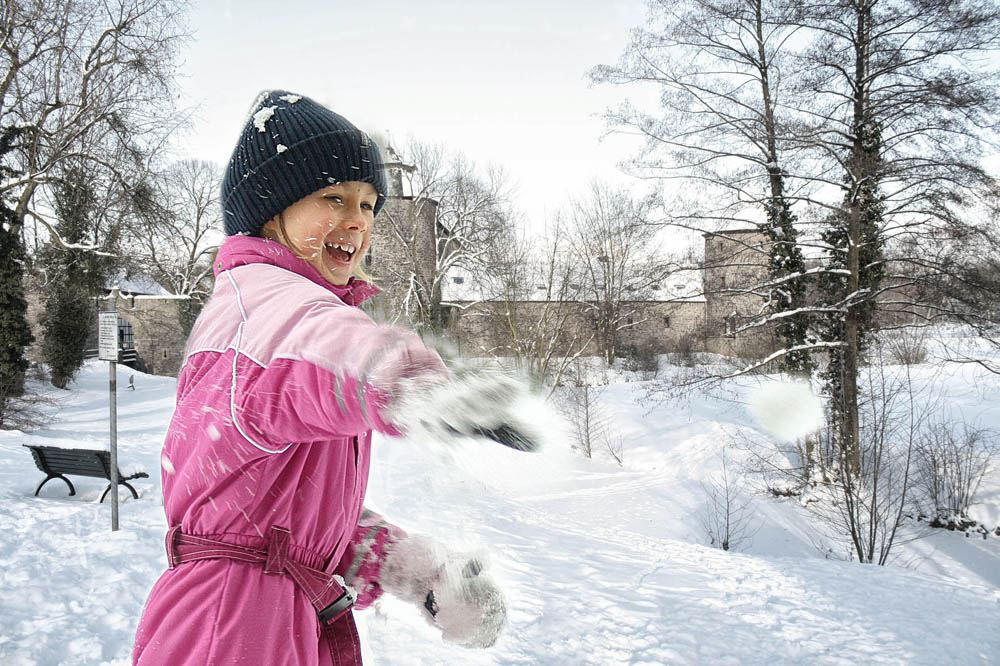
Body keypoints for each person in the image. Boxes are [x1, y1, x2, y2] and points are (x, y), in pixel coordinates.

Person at [133, 90, 538, 666]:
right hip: (230, 628)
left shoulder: (278, 310)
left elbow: (290, 524)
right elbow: (325, 347)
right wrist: (406, 383)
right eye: (334, 197)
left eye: (370, 204)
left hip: (264, 615)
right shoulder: (263, 308)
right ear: (271, 211)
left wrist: (422, 575)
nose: (357, 221)